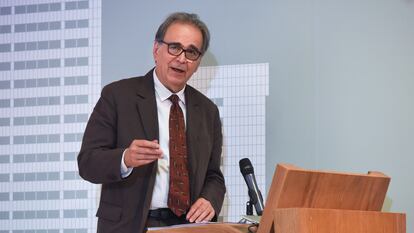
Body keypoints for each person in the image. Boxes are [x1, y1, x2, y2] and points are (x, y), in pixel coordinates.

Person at [77, 12, 226, 233]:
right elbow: (88, 163)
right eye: (174, 47)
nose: (182, 58)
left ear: (198, 62)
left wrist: (209, 200)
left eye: (191, 52)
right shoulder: (118, 96)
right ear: (156, 49)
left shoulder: (207, 111)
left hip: (188, 227)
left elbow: (213, 175)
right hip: (130, 225)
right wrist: (125, 158)